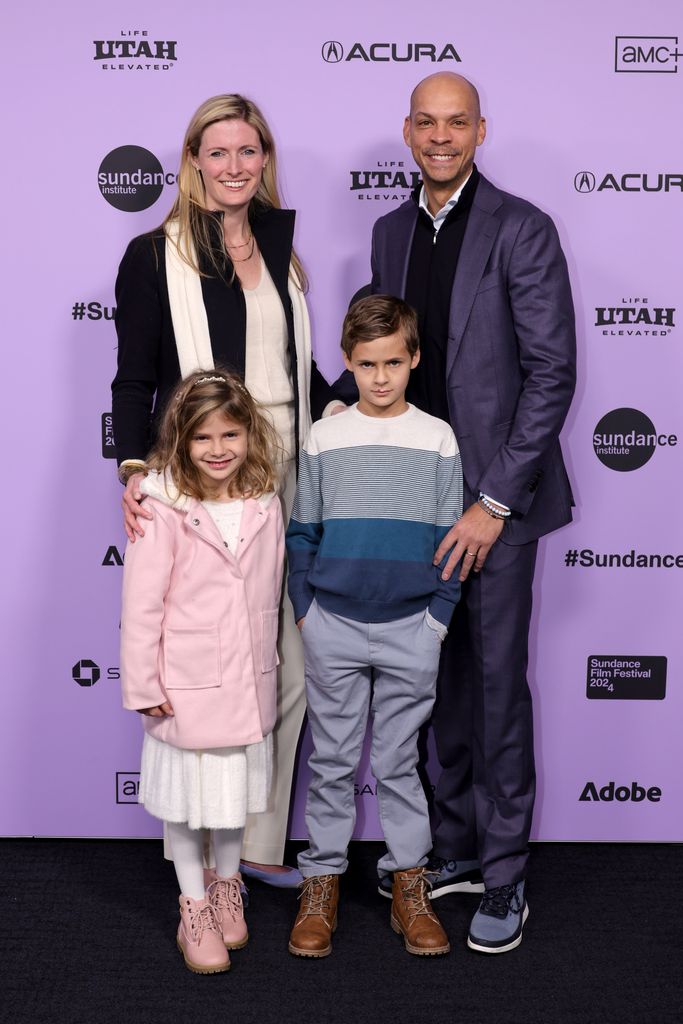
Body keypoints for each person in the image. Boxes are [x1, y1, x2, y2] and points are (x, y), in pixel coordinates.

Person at [336, 72, 576, 954]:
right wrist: (336, 406)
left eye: (457, 123)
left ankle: (505, 874)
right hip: (415, 497)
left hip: (497, 507)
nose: (440, 138)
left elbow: (551, 376)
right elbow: (386, 353)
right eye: (426, 123)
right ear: (407, 132)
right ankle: (454, 850)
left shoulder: (522, 228)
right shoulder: (390, 229)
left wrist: (491, 501)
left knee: (496, 688)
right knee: (433, 688)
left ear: (480, 131)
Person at [112, 94, 338, 886]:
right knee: (209, 654)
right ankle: (201, 860)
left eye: (249, 152)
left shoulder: (281, 249)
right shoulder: (154, 254)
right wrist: (135, 468)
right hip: (206, 472)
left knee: (286, 662)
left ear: (264, 159)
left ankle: (253, 844)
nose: (235, 166)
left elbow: (291, 370)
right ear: (193, 162)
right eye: (219, 152)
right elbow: (135, 376)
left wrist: (360, 405)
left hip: (289, 467)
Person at [285, 295, 463, 958]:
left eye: (393, 362)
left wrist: (436, 622)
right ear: (347, 363)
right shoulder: (323, 436)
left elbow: (451, 538)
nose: (381, 377)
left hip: (411, 627)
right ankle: (322, 882)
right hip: (330, 621)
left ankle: (407, 887)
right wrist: (305, 608)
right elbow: (303, 529)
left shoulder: (437, 437)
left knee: (396, 763)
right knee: (330, 761)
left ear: (413, 359)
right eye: (366, 364)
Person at [120, 371, 284, 973]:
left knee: (233, 800)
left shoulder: (265, 498)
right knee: (190, 803)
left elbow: (269, 591)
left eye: (231, 434)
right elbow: (141, 605)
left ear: (250, 435)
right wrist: (143, 684)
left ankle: (227, 885)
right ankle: (193, 903)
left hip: (246, 680)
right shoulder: (162, 503)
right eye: (203, 438)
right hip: (185, 685)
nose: (219, 449)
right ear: (181, 442)